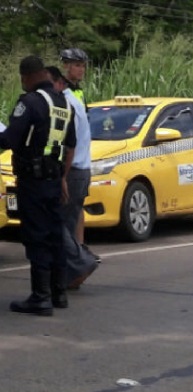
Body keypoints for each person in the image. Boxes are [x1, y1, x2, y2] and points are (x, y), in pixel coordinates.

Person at [0, 55, 76, 316]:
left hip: (32, 181)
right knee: (55, 234)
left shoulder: (30, 102)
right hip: (54, 179)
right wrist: (63, 178)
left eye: (22, 78)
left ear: (30, 76)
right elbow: (70, 145)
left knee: (36, 236)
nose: (22, 83)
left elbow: (9, 139)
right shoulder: (64, 104)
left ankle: (40, 298)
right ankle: (58, 294)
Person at [46, 66, 98, 290]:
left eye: (48, 85)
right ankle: (69, 276)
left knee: (59, 225)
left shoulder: (67, 105)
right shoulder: (70, 103)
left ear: (59, 83)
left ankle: (81, 264)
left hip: (73, 171)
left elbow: (70, 145)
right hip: (79, 171)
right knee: (66, 223)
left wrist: (62, 177)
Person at [60, 47, 100, 263]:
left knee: (76, 210)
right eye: (76, 65)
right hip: (73, 164)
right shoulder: (62, 93)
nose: (81, 70)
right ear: (65, 66)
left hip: (81, 163)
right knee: (69, 214)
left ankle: (80, 253)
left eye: (83, 65)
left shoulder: (78, 92)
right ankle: (76, 259)